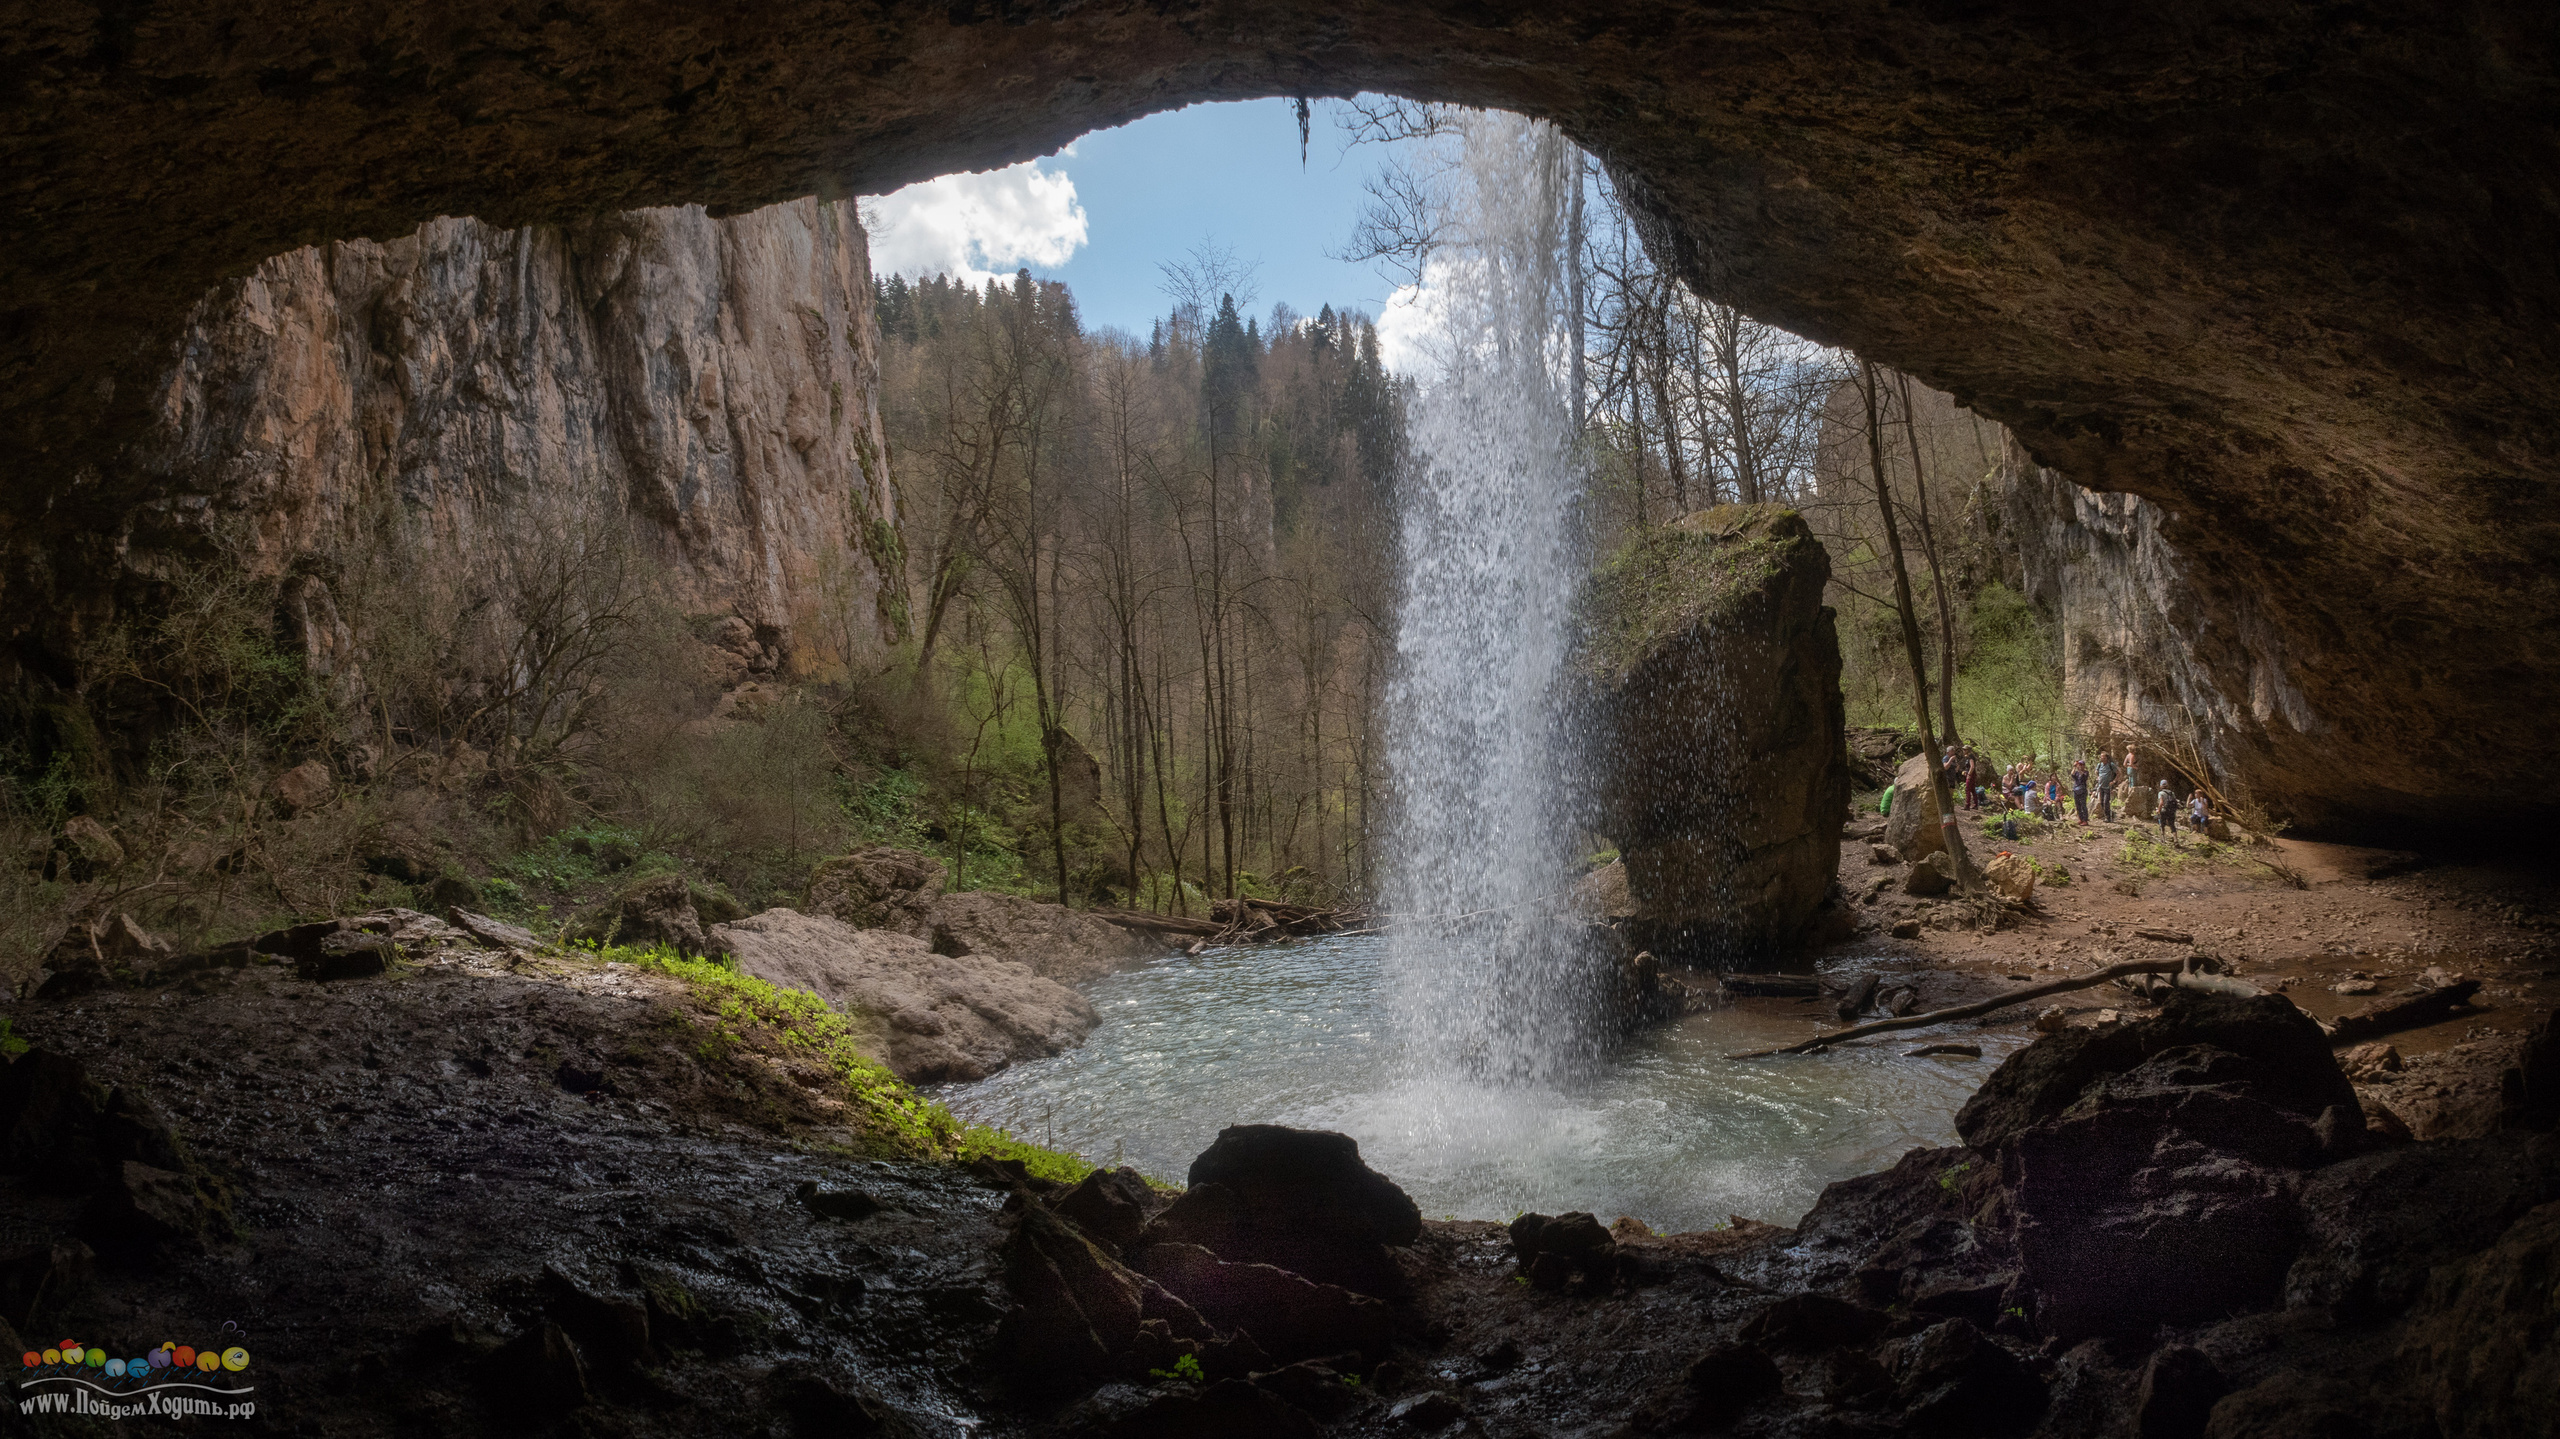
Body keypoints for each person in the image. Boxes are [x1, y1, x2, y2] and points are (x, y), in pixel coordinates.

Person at [2094, 753, 2116, 821]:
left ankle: (2108, 817)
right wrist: (2098, 777)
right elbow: (2096, 771)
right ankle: (2107, 814)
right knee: (2101, 802)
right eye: (2101, 757)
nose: (2102, 758)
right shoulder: (2099, 765)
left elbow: (2118, 773)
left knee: (2106, 801)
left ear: (2107, 758)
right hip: (2101, 786)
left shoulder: (2111, 765)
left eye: (2103, 757)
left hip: (2108, 787)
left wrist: (2114, 781)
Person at [2071, 759, 2090, 824]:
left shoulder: (2086, 772)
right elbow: (2072, 774)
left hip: (2083, 790)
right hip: (2076, 790)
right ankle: (2080, 818)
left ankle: (2085, 820)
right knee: (2078, 805)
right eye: (2079, 765)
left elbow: (2084, 776)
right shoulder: (2076, 773)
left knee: (2083, 805)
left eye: (2082, 765)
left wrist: (2079, 769)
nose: (2080, 766)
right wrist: (2074, 767)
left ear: (2084, 766)